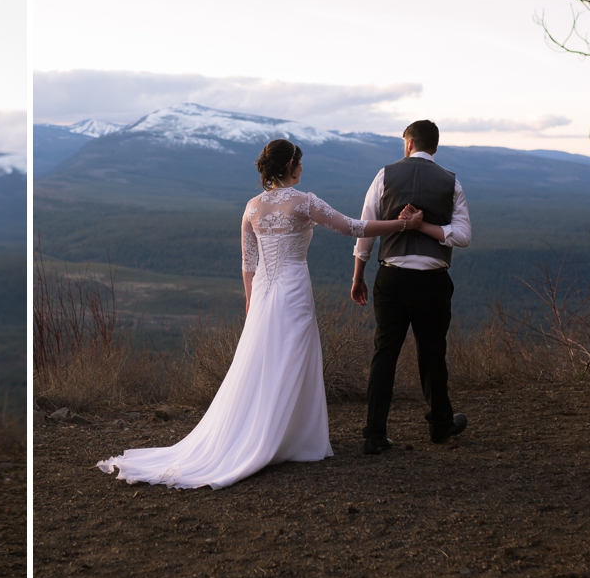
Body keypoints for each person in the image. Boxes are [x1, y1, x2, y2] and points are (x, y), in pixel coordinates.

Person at [96, 139, 421, 489]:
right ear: (290, 166)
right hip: (294, 288)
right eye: (300, 162)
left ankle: (276, 433)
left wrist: (252, 303)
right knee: (292, 360)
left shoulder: (251, 207)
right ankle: (287, 438)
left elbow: (248, 263)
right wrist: (403, 226)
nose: (302, 168)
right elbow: (353, 227)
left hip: (265, 292)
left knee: (264, 362)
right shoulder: (304, 200)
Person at [352, 119, 472, 454]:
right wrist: (427, 227)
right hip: (433, 281)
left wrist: (358, 276)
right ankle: (439, 425)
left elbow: (365, 230)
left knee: (384, 353)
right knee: (433, 353)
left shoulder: (385, 175)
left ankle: (374, 434)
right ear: (434, 146)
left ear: (408, 143)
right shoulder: (451, 182)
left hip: (392, 278)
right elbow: (463, 237)